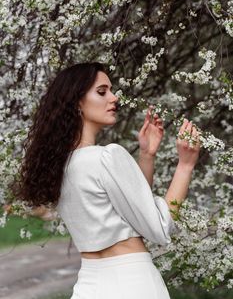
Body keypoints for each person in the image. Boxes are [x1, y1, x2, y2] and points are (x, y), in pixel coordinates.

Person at [12, 62, 201, 299]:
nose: (114, 98)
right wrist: (186, 165)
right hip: (134, 282)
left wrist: (146, 156)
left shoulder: (59, 167)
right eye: (102, 91)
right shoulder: (106, 157)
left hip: (90, 285)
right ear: (77, 102)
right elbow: (160, 226)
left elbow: (131, 209)